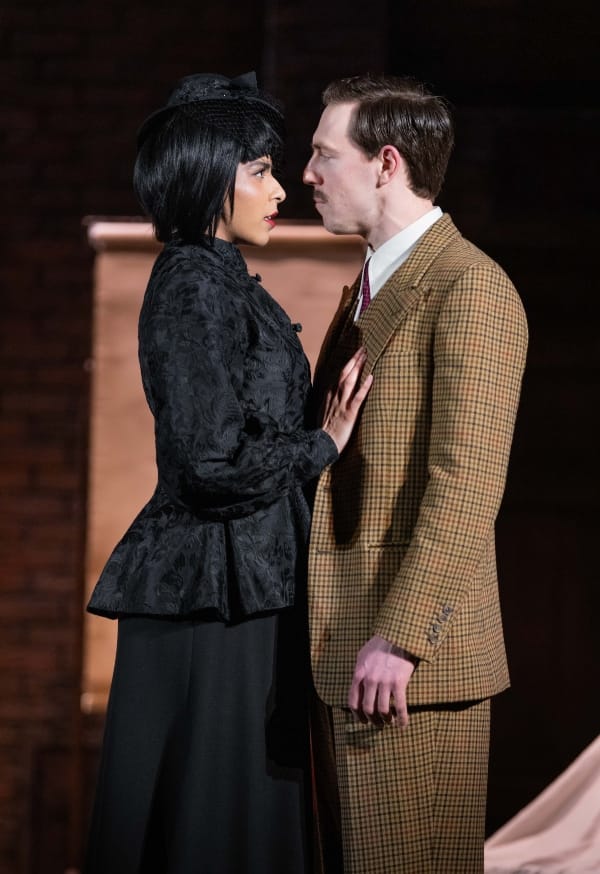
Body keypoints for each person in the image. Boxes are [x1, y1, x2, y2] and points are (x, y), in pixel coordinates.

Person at [83, 71, 371, 874]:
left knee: (236, 816)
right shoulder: (191, 282)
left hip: (242, 583)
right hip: (210, 595)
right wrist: (322, 443)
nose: (280, 189)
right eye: (260, 171)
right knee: (213, 822)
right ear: (211, 176)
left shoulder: (217, 277)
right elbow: (207, 463)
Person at [303, 74, 528, 874]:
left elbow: (466, 484)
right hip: (344, 652)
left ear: (386, 163)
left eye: (325, 154)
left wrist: (400, 636)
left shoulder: (470, 288)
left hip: (407, 670)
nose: (308, 174)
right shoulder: (373, 285)